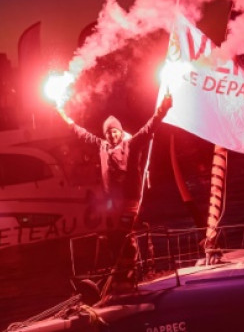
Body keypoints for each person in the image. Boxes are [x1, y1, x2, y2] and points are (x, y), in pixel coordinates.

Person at [56, 93, 172, 290]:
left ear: (120, 132)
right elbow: (82, 134)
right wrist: (63, 117)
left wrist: (163, 109)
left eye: (115, 132)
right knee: (113, 238)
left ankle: (132, 275)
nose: (112, 135)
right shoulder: (101, 146)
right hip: (112, 202)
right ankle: (120, 274)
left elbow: (148, 128)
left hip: (129, 200)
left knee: (126, 235)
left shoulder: (131, 145)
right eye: (109, 133)